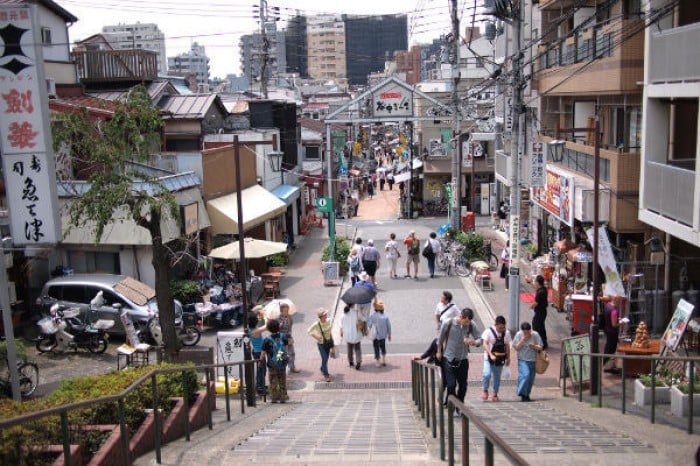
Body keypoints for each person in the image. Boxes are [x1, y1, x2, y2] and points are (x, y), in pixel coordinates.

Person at [436, 307, 482, 412]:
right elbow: (440, 339)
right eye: (465, 321)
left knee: (463, 385)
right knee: (451, 384)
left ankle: (459, 406)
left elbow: (480, 339)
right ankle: (451, 405)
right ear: (461, 316)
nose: (467, 324)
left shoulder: (471, 325)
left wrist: (473, 342)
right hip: (449, 357)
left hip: (463, 358)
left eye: (469, 322)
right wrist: (439, 351)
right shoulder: (448, 323)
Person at [481, 315, 512, 402]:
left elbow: (507, 346)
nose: (501, 330)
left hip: (500, 358)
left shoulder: (507, 333)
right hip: (488, 357)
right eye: (499, 328)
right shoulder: (488, 332)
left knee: (497, 376)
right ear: (495, 325)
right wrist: (490, 354)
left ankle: (495, 393)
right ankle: (485, 390)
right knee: (486, 374)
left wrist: (508, 358)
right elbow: (484, 343)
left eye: (503, 327)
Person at [512, 321, 543, 402]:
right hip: (522, 359)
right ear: (522, 331)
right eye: (524, 332)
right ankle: (521, 392)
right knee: (525, 375)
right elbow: (516, 348)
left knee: (530, 379)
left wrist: (534, 346)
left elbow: (541, 347)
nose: (526, 334)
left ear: (530, 330)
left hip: (533, 360)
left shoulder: (535, 335)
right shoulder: (519, 335)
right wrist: (522, 340)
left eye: (528, 332)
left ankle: (526, 394)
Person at [260, 318, 289, 403]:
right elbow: (286, 349)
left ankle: (274, 398)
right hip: (282, 362)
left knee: (273, 381)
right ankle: (283, 397)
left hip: (272, 364)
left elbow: (263, 353)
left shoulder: (267, 340)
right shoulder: (283, 336)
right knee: (282, 380)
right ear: (278, 327)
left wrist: (260, 361)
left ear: (268, 329)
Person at [307, 308, 333, 383]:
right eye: (324, 314)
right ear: (321, 316)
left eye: (326, 314)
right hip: (321, 344)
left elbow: (330, 332)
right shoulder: (316, 324)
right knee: (324, 359)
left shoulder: (328, 321)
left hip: (328, 342)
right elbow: (308, 331)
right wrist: (316, 336)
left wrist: (332, 343)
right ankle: (326, 375)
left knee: (326, 359)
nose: (326, 315)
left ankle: (322, 368)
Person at [248, 306, 267, 397]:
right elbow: (267, 326)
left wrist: (259, 314)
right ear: (255, 321)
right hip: (260, 353)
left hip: (256, 351)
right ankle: (259, 389)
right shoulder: (256, 331)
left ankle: (260, 386)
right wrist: (265, 315)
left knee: (261, 370)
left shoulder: (250, 329)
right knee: (261, 370)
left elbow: (253, 315)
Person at [367, 300, 392, 367]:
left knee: (376, 348)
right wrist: (389, 335)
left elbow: (369, 325)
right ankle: (384, 360)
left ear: (375, 309)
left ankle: (378, 362)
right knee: (383, 347)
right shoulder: (385, 316)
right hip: (383, 336)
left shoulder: (372, 316)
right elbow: (389, 326)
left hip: (375, 336)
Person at [278, 303, 300, 374]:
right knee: (281, 353)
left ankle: (292, 367)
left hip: (289, 336)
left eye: (287, 310)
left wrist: (290, 333)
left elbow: (291, 325)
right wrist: (279, 326)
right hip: (281, 338)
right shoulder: (278, 319)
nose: (287, 312)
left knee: (292, 353)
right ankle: (279, 367)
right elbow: (275, 329)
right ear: (281, 311)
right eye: (285, 311)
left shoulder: (289, 317)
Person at [340, 305, 363, 370]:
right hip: (356, 334)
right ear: (353, 305)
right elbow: (362, 319)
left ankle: (351, 362)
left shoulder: (343, 314)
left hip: (348, 335)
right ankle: (358, 361)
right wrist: (361, 310)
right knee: (357, 349)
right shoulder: (356, 312)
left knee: (349, 349)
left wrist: (341, 332)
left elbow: (341, 325)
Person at [602, 296, 620, 371]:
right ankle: (608, 367)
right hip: (613, 332)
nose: (620, 303)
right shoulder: (614, 311)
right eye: (620, 301)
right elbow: (614, 324)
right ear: (617, 301)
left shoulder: (607, 306)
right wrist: (621, 323)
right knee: (611, 349)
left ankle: (606, 364)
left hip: (607, 329)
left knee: (607, 347)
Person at [530, 275, 549, 350]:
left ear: (538, 282)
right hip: (543, 312)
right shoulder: (543, 289)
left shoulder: (540, 292)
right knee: (541, 327)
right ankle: (544, 343)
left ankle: (541, 344)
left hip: (540, 312)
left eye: (535, 281)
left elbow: (535, 303)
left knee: (537, 327)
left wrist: (531, 307)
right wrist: (530, 281)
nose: (534, 283)